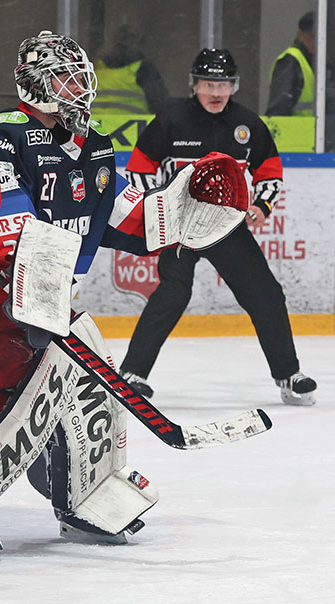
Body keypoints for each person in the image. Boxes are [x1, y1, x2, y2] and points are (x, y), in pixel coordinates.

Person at [0, 31, 253, 559]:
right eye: (64, 77)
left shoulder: (94, 144)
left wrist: (177, 211)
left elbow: (121, 215)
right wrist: (30, 281)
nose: (78, 86)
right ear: (35, 86)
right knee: (5, 403)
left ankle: (83, 497)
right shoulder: (3, 136)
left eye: (80, 75)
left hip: (50, 293)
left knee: (87, 395)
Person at [119, 48, 316, 406]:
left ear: (233, 86)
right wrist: (158, 207)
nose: (216, 92)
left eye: (223, 84)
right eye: (209, 83)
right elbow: (138, 168)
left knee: (266, 294)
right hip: (180, 228)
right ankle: (132, 374)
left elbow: (269, 167)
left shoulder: (247, 123)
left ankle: (288, 374)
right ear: (194, 85)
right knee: (172, 293)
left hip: (226, 226)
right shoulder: (171, 119)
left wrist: (262, 204)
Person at [91, 24, 170, 115]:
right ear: (138, 44)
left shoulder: (96, 68)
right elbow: (161, 105)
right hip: (134, 128)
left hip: (97, 127)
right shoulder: (143, 69)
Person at [266, 11, 315, 116]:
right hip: (296, 130)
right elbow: (278, 109)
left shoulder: (315, 62)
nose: (315, 42)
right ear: (300, 35)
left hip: (310, 130)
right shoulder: (290, 61)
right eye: (312, 36)